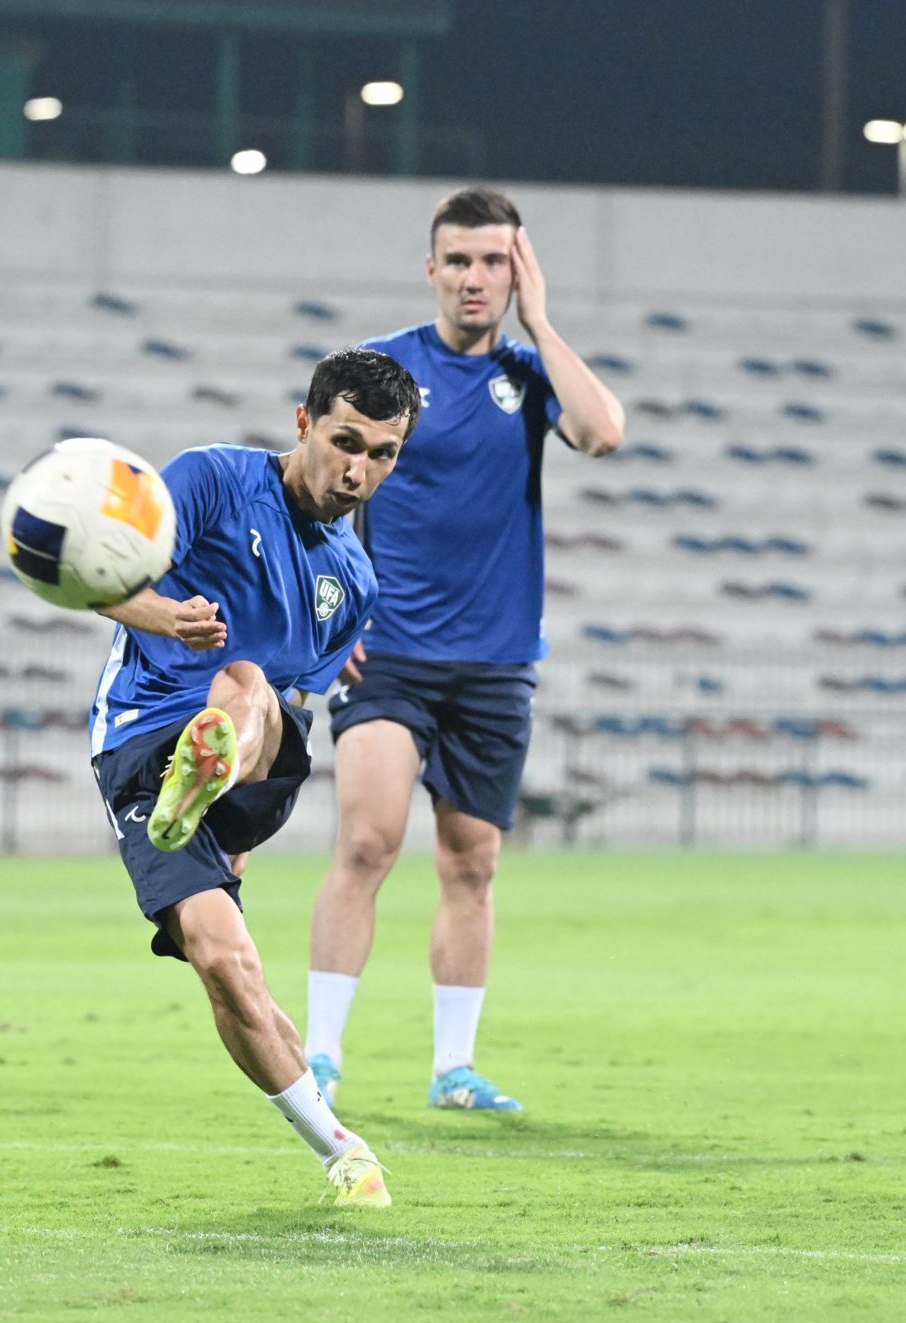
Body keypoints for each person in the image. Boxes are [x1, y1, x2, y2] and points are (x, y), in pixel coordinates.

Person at [306, 187, 625, 1114]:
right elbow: (316, 487)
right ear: (431, 268)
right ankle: (319, 1056)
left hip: (496, 661)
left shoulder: (529, 374)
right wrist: (332, 615)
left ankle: (454, 1068)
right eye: (459, 260)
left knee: (472, 862)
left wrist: (544, 323)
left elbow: (603, 432)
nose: (474, 277)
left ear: (517, 272)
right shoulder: (384, 371)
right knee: (368, 839)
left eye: (494, 261)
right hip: (389, 652)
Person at [81, 348, 420, 1207]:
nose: (359, 471)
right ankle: (342, 1149)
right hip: (140, 740)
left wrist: (236, 826)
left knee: (250, 684)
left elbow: (297, 698)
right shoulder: (211, 479)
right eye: (346, 442)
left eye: (383, 454)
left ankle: (205, 774)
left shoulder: (354, 581)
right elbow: (97, 579)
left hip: (253, 748)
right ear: (304, 423)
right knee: (227, 963)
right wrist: (169, 617)